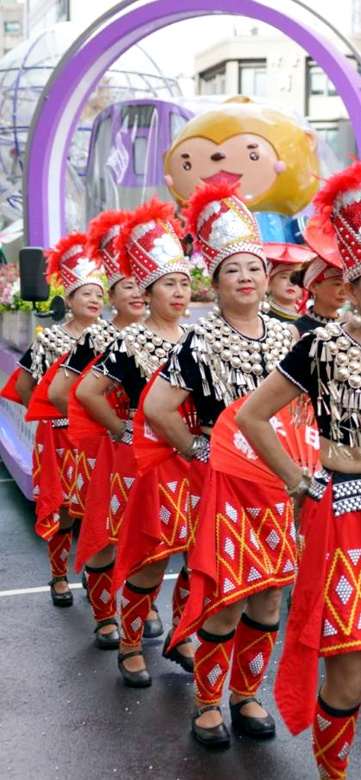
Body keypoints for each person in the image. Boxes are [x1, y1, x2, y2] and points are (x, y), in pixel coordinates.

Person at [236, 160, 361, 780]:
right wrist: (299, 482)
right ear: (352, 287)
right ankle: (335, 774)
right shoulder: (320, 347)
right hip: (342, 516)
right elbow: (253, 417)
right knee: (348, 678)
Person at [146, 181, 296, 748]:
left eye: (254, 269)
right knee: (228, 593)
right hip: (227, 480)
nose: (247, 278)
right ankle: (207, 702)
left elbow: (303, 410)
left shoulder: (288, 337)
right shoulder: (198, 341)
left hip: (277, 479)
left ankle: (246, 693)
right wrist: (200, 448)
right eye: (233, 270)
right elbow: (161, 407)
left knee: (270, 592)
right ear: (216, 282)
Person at [76, 201, 196, 680]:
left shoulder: (198, 338)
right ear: (147, 291)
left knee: (198, 555)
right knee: (150, 554)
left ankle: (183, 633)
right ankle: (130, 643)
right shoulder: (129, 342)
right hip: (145, 463)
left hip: (195, 459)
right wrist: (124, 428)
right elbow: (86, 391)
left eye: (185, 282)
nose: (180, 292)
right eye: (169, 283)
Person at [57, 210, 145, 650]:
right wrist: (109, 427)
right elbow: (61, 392)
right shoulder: (96, 338)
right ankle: (105, 613)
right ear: (112, 293)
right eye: (127, 285)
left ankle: (135, 607)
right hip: (105, 449)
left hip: (149, 453)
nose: (137, 294)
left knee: (146, 535)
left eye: (141, 285)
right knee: (105, 532)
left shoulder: (168, 335)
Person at [13, 233, 108, 608]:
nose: (95, 301)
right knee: (65, 508)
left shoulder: (112, 338)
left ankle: (92, 567)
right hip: (58, 437)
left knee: (98, 504)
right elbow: (25, 386)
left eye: (99, 295)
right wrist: (47, 419)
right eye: (87, 294)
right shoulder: (49, 339)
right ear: (69, 300)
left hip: (97, 437)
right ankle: (58, 575)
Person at [293, 253, 347, 334]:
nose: (344, 291)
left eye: (346, 285)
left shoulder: (348, 327)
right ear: (314, 287)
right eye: (337, 284)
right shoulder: (296, 329)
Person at [265, 246, 309, 323]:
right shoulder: (262, 317)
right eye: (284, 277)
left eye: (296, 277)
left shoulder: (309, 317)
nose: (291, 283)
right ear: (269, 282)